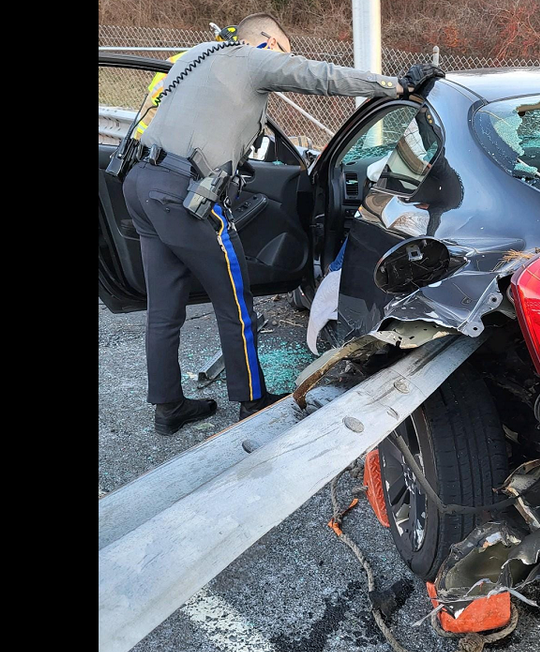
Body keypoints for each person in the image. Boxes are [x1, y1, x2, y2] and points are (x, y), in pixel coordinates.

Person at [123, 12, 444, 435]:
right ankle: (252, 401)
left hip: (141, 183)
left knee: (164, 309)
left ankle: (168, 407)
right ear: (270, 43)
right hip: (186, 195)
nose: (283, 64)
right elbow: (321, 77)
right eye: (284, 54)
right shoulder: (253, 58)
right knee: (235, 304)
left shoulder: (198, 54)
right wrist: (397, 86)